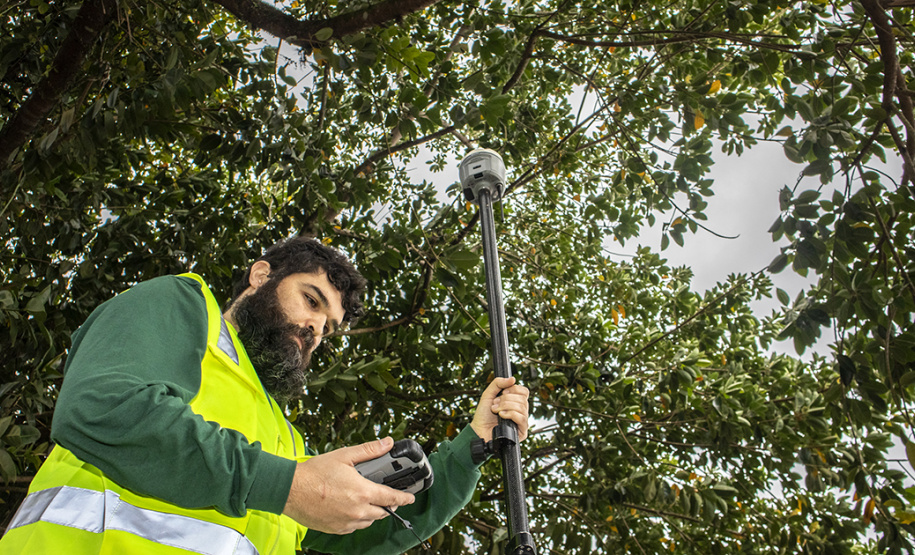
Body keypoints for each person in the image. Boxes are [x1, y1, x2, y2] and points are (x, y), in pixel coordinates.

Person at [0, 237, 530, 554]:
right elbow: (103, 408)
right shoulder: (187, 308)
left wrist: (473, 444)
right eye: (311, 300)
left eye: (328, 326)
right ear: (260, 276)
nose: (315, 328)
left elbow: (362, 532)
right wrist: (289, 484)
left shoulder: (286, 440)